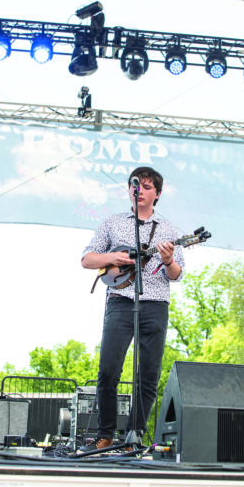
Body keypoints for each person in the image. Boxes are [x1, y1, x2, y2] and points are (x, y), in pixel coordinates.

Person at [81, 167, 185, 452]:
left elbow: (176, 275)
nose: (139, 190)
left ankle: (134, 435)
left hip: (155, 305)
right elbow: (87, 259)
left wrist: (167, 260)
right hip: (119, 300)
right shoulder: (112, 223)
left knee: (148, 374)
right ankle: (105, 434)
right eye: (135, 186)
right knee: (108, 371)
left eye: (147, 187)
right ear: (129, 190)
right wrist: (112, 256)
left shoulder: (169, 231)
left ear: (158, 194)